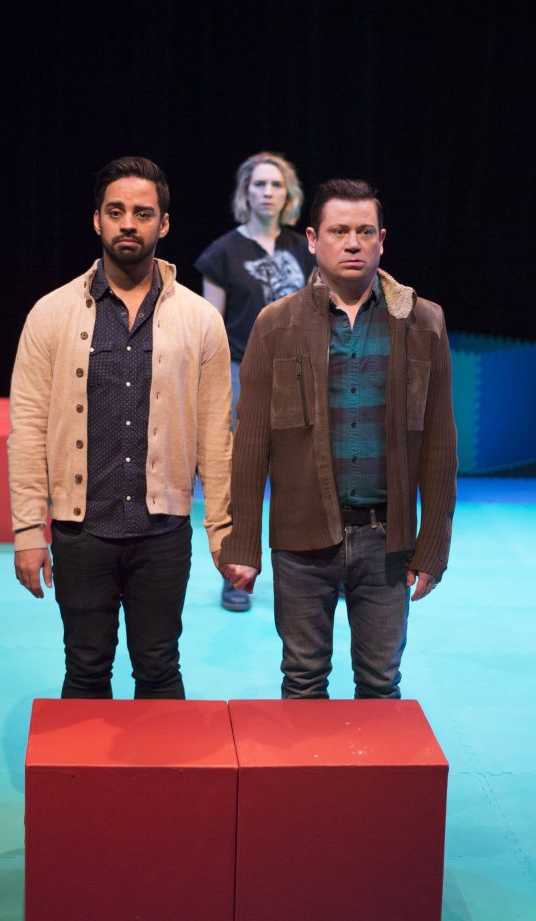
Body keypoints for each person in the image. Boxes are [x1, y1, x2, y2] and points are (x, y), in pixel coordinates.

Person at [219, 179, 457, 699]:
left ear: (381, 240)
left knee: (380, 683)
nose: (352, 242)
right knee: (302, 680)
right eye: (339, 230)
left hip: (388, 542)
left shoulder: (421, 322)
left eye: (364, 231)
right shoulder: (275, 325)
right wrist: (241, 544)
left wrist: (433, 546)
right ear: (312, 238)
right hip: (300, 541)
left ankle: (377, 785)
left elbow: (440, 446)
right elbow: (251, 442)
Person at [8, 156, 232, 700]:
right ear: (97, 221)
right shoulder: (51, 313)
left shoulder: (201, 319)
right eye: (116, 211)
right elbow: (27, 426)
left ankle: (167, 787)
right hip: (81, 533)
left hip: (162, 534)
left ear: (164, 224)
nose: (128, 223)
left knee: (159, 669)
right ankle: (83, 788)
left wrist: (225, 531)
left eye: (142, 212)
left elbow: (215, 434)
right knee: (85, 670)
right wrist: (25, 531)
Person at [195, 151, 315, 611]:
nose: (268, 192)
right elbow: (211, 327)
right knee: (239, 478)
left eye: (276, 185)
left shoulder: (303, 248)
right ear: (245, 192)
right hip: (240, 372)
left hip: (298, 373)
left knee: (303, 473)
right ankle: (235, 572)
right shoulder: (222, 253)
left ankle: (314, 569)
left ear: (288, 195)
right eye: (259, 184)